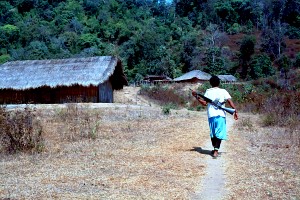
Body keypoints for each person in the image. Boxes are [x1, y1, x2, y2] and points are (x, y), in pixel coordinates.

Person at [192, 75, 238, 158]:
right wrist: (235, 111)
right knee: (219, 133)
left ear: (210, 83)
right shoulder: (223, 91)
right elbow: (230, 102)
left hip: (211, 115)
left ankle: (215, 150)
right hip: (221, 115)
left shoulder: (208, 91)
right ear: (219, 83)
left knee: (213, 133)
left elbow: (204, 104)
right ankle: (216, 150)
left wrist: (196, 97)